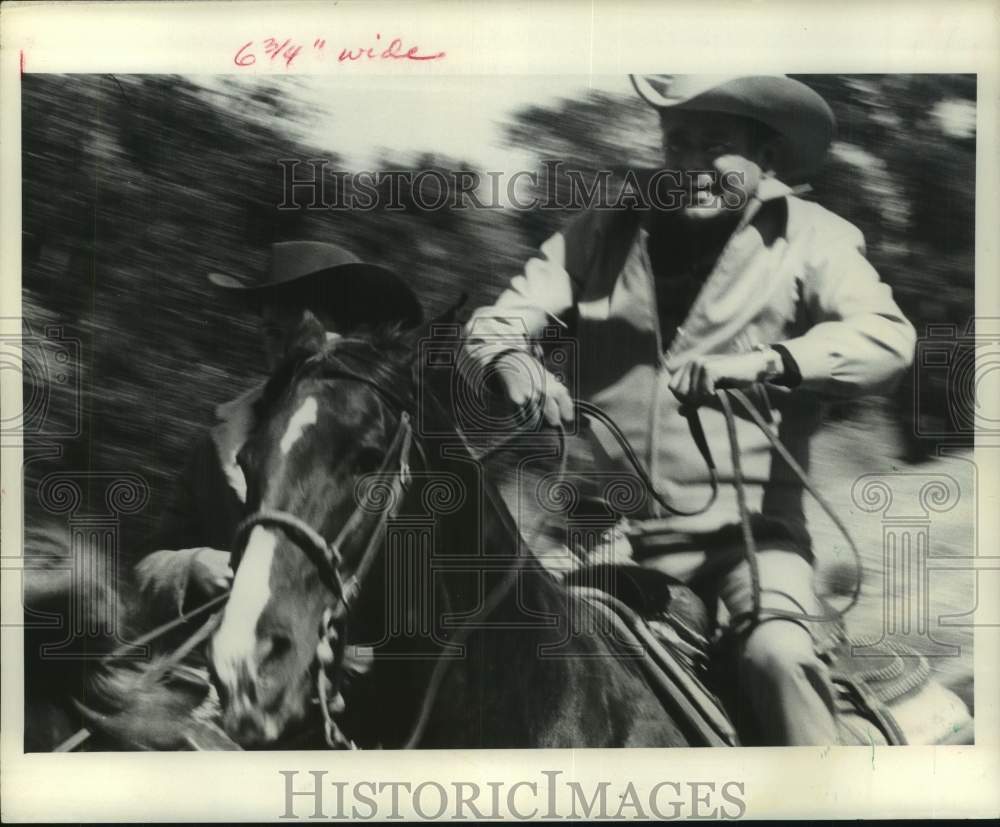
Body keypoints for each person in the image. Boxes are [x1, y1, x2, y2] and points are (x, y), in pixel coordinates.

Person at [460, 75, 916, 745]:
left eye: (717, 146)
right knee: (495, 647)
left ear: (768, 159)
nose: (692, 165)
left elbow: (886, 339)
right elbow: (493, 324)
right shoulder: (601, 228)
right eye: (679, 144)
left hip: (752, 545)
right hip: (610, 537)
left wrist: (768, 361)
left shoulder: (814, 236)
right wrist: (510, 360)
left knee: (777, 659)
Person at [138, 240, 423, 618]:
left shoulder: (389, 452)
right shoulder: (215, 448)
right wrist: (192, 565)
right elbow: (147, 565)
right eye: (273, 334)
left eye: (303, 338)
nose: (286, 353)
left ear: (346, 342)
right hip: (208, 663)